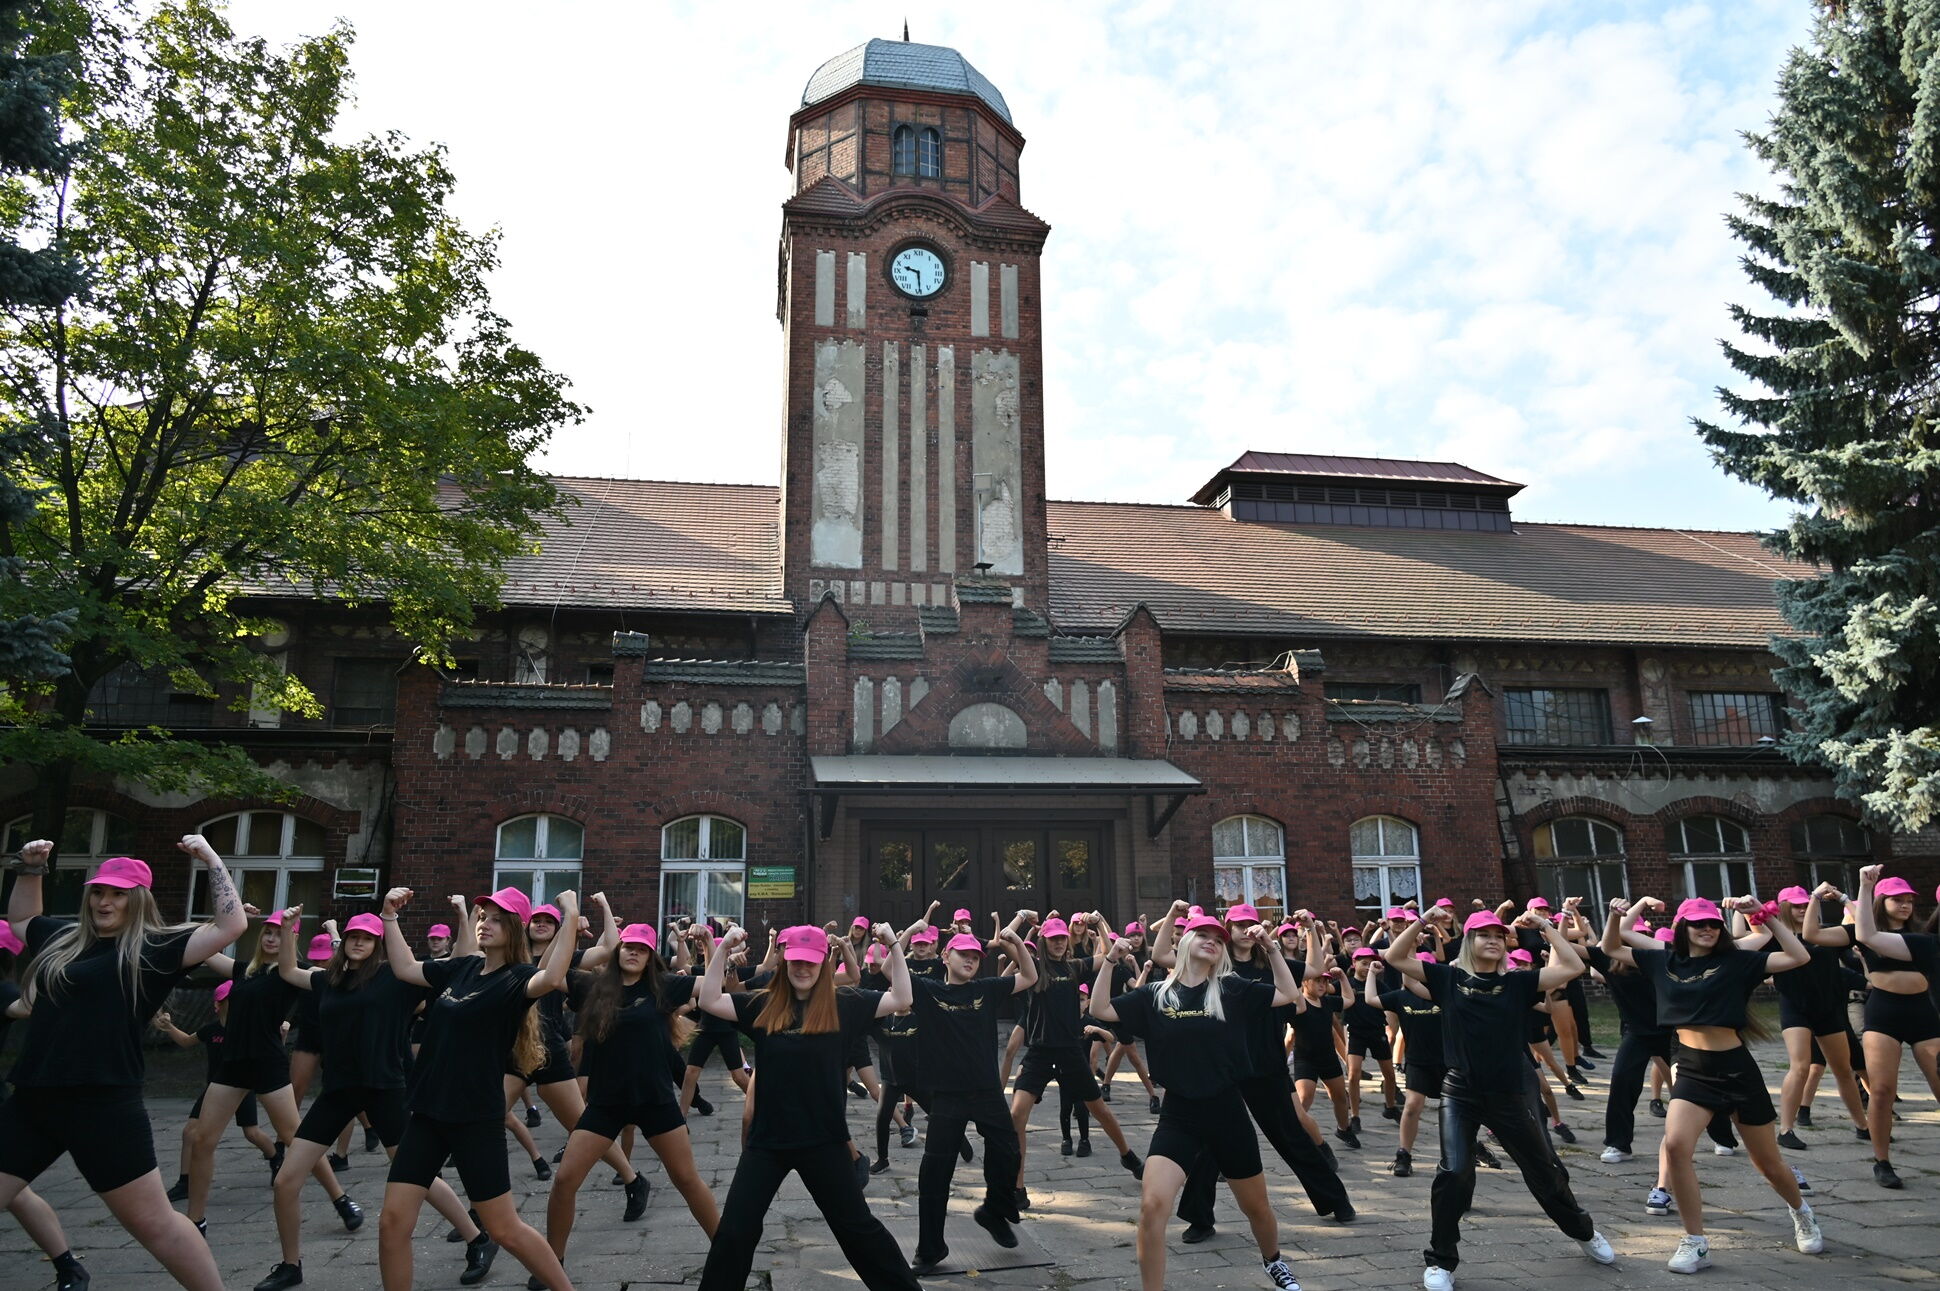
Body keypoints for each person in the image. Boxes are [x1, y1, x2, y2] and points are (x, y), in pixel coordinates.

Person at [0, 835, 247, 1290]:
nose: (104, 901)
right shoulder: (63, 938)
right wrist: (31, 869)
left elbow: (231, 925)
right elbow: (21, 920)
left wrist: (211, 858)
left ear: (138, 900)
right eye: (98, 891)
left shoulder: (154, 948)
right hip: (33, 1099)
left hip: (102, 1106)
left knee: (155, 1225)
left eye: (117, 894)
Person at [1383, 908, 1616, 1291]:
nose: (1492, 940)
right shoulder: (1448, 979)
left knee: (1544, 1171)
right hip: (1460, 1092)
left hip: (1508, 1094)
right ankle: (1441, 1261)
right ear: (1469, 941)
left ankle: (1583, 1231)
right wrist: (1423, 920)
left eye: (1497, 935)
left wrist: (1545, 926)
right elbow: (1395, 957)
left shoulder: (1518, 983)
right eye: (1483, 934)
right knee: (1453, 1172)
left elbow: (1574, 966)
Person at [255, 908, 483, 1291]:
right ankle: (290, 1265)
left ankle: (477, 1239)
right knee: (285, 1181)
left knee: (420, 1177)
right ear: (343, 941)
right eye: (353, 936)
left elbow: (458, 962)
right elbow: (289, 971)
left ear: (378, 944)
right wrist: (290, 929)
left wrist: (464, 916)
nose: (358, 942)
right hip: (338, 1091)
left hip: (385, 1088)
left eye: (367, 938)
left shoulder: (396, 978)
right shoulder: (328, 980)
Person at [1603, 894, 1824, 1273]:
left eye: (1713, 924)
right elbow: (1611, 947)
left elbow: (1798, 956)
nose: (1707, 929)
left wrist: (1765, 916)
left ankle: (1801, 1212)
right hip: (1691, 1067)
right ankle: (1695, 1241)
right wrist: (1614, 915)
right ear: (1682, 928)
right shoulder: (1662, 960)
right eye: (1698, 924)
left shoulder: (1738, 960)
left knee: (1768, 1163)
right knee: (1676, 1146)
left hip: (1736, 1068)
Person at [695, 923, 919, 1291]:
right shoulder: (764, 1004)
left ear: (822, 963)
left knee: (859, 1231)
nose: (802, 968)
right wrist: (722, 948)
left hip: (824, 1141)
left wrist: (893, 942)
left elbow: (902, 998)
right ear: (785, 961)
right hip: (768, 1143)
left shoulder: (845, 1004)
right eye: (796, 961)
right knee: (735, 1231)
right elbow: (708, 1000)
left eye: (810, 962)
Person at [375, 886, 578, 1291]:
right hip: (428, 1112)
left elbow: (553, 977)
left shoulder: (517, 979)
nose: (485, 924)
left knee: (504, 1229)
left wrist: (570, 915)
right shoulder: (462, 967)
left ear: (515, 928)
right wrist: (389, 917)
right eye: (484, 917)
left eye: (497, 919)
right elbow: (406, 969)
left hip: (475, 1117)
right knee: (392, 1222)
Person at [1090, 912, 1305, 1291]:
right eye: (1203, 934)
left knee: (1257, 1208)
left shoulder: (1231, 989)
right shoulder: (1156, 995)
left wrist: (1270, 948)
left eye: (1219, 939)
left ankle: (1273, 1260)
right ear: (1185, 942)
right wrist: (1109, 960)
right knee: (1152, 1206)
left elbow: (1289, 995)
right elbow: (1100, 1010)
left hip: (1227, 1112)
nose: (1212, 941)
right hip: (1179, 1115)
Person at [544, 923, 719, 1285]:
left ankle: (728, 1251)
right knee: (564, 1180)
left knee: (687, 1179)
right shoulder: (592, 986)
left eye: (642, 948)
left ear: (651, 956)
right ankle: (552, 1261)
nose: (634, 952)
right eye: (628, 946)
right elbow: (549, 972)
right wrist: (569, 924)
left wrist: (710, 945)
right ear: (617, 950)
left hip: (655, 1101)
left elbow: (713, 988)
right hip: (606, 1104)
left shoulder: (662, 986)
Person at [1171, 903, 1355, 1241]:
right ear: (1228, 928)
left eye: (1250, 924)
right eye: (1238, 925)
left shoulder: (1272, 961)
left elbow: (1315, 968)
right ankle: (1199, 1218)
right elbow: (1167, 960)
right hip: (1225, 1066)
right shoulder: (1216, 962)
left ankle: (1335, 1199)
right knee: (1211, 1142)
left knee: (1291, 1136)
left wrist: (1310, 929)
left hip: (1267, 1064)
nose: (1244, 930)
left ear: (1259, 928)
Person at [182, 907, 355, 1236]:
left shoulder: (292, 973)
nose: (272, 938)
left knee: (295, 1138)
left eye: (280, 933)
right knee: (202, 1140)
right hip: (232, 1064)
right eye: (269, 932)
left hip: (267, 1064)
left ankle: (340, 1198)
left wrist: (334, 935)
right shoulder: (243, 970)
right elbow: (204, 948)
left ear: (292, 938)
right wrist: (226, 921)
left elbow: (339, 974)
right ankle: (195, 1220)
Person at [906, 914, 1037, 1273]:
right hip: (947, 1095)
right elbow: (890, 970)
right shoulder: (929, 991)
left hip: (986, 1092)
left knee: (1008, 1153)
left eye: (975, 956)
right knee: (935, 1171)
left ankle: (994, 1211)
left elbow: (1029, 977)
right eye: (963, 954)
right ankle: (930, 1249)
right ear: (945, 956)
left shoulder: (986, 989)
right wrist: (904, 935)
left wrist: (1015, 940)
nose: (970, 960)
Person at [510, 896, 643, 1196]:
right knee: (490, 1114)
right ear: (526, 925)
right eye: (537, 920)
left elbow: (610, 949)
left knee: (581, 1124)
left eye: (549, 921)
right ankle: (483, 1203)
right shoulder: (514, 955)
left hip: (548, 1044)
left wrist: (604, 907)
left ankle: (631, 1178)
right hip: (513, 1045)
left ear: (558, 928)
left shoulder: (565, 955)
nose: (541, 925)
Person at [1006, 914, 1141, 1202]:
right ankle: (1017, 1187)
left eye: (1061, 938)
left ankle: (1127, 1155)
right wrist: (1021, 918)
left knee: (1099, 1109)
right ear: (1043, 941)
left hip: (1070, 1050)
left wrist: (1100, 924)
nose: (1058, 942)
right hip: (1040, 1052)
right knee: (1016, 1114)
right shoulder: (1034, 968)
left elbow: (1108, 956)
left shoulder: (1074, 966)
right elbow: (1006, 937)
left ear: (1067, 940)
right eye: (1052, 938)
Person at [0, 918, 91, 1291]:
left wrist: (52, 964)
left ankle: (68, 1265)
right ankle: (68, 1266)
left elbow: (26, 1007)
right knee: (16, 1192)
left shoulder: (3, 990)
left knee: (16, 1191)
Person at [1747, 885, 1869, 1151]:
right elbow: (1750, 933)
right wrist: (1746, 909)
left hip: (1828, 1008)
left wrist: (1843, 899)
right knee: (1800, 1066)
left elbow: (1863, 926)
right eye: (1797, 906)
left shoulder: (1826, 935)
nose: (1803, 909)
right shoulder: (1776, 937)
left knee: (1843, 1069)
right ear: (1784, 908)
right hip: (1795, 1006)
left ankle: (1862, 1125)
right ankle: (1786, 1129)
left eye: (1806, 904)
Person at [1848, 868, 1940, 1188]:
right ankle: (1882, 1161)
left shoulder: (1924, 939)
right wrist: (1863, 888)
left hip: (1923, 1013)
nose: (1905, 905)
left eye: (1909, 900)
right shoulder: (1891, 937)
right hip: (1884, 1013)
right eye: (1897, 900)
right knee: (1882, 1089)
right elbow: (1864, 934)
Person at [155, 990, 277, 1197]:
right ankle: (185, 1183)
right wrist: (169, 1027)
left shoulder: (247, 1030)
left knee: (252, 1133)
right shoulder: (211, 1030)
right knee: (189, 1132)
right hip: (214, 1089)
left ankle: (276, 1158)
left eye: (225, 1001)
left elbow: (270, 1051)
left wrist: (281, 1034)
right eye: (220, 1001)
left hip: (241, 1088)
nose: (220, 1005)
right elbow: (186, 1041)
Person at [1373, 951, 1443, 1178]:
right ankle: (1404, 1155)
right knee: (1412, 1105)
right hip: (1417, 1061)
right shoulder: (1402, 996)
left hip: (1448, 1062)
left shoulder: (1443, 993)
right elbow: (1374, 998)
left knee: (1454, 1110)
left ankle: (1465, 1149)